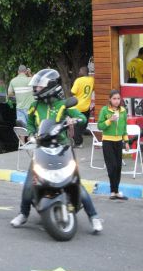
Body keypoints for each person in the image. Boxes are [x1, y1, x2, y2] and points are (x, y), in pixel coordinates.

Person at [10, 69, 103, 233]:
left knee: (75, 182)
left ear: (50, 87)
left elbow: (81, 117)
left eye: (38, 87)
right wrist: (30, 133)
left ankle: (93, 217)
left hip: (62, 147)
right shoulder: (34, 106)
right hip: (41, 148)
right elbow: (30, 123)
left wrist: (74, 120)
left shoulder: (63, 105)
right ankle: (23, 214)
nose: (36, 90)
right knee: (29, 185)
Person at [98, 90, 130, 200]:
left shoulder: (123, 111)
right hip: (107, 141)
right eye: (114, 99)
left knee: (118, 167)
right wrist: (109, 120)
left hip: (118, 141)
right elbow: (100, 126)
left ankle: (116, 191)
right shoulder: (104, 110)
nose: (116, 101)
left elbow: (124, 128)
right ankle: (113, 191)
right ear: (110, 99)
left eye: (118, 98)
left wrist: (126, 142)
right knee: (112, 167)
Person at [71, 66, 94, 148]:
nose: (78, 72)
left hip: (77, 107)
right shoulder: (92, 80)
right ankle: (77, 137)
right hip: (86, 107)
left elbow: (73, 92)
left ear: (83, 71)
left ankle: (78, 143)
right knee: (83, 124)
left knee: (77, 126)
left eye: (80, 71)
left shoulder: (78, 80)